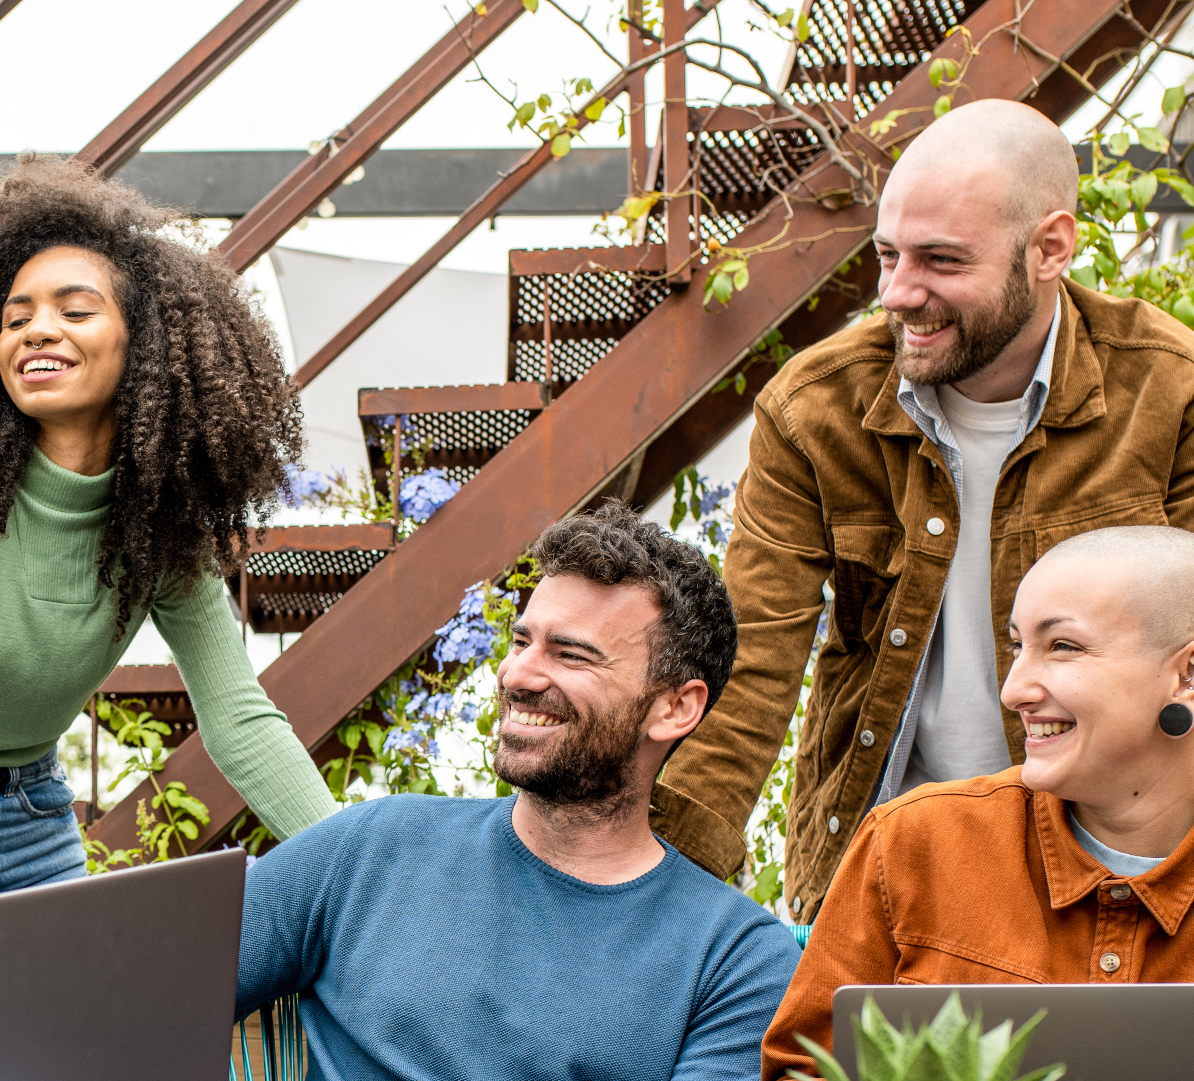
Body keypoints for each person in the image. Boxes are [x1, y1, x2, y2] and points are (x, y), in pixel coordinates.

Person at [652, 98, 1194, 925]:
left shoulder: (1167, 388)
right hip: (888, 856)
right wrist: (654, 895)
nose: (900, 294)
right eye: (886, 256)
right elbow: (749, 663)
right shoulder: (815, 407)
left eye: (940, 261)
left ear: (1049, 248)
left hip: (1116, 857)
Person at [0, 154, 337, 905]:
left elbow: (237, 716)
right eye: (16, 317)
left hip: (31, 815)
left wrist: (358, 868)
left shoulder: (158, 516)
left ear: (146, 345)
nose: (38, 329)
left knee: (69, 1023)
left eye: (74, 311)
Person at [237, 504, 800, 1081]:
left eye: (571, 654)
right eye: (521, 641)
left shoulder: (736, 964)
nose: (517, 676)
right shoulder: (370, 849)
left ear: (675, 708)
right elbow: (157, 988)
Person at [762, 525, 1194, 1077]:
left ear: (1186, 673)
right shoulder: (910, 843)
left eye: (1063, 646)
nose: (1013, 689)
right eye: (1017, 646)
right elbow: (801, 1070)